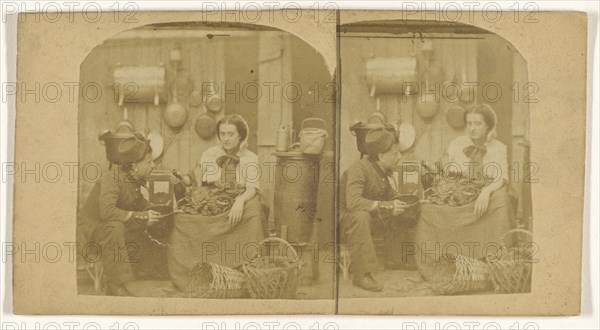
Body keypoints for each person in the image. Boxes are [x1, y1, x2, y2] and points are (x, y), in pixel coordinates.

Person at [77, 135, 166, 296]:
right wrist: (143, 216)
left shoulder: (133, 180)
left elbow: (139, 203)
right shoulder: (113, 178)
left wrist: (156, 211)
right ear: (133, 166)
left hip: (105, 229)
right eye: (148, 162)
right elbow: (107, 212)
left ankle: (150, 270)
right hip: (90, 232)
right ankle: (114, 284)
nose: (153, 165)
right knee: (116, 226)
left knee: (137, 223)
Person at [191, 114, 267, 266]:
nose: (225, 139)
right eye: (222, 134)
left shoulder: (250, 158)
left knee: (254, 213)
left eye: (230, 134)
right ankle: (205, 266)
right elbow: (200, 180)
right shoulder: (211, 154)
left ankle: (249, 265)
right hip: (215, 197)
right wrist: (186, 178)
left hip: (242, 196)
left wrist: (240, 201)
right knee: (188, 219)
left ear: (240, 135)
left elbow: (252, 189)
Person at [340, 127, 409, 292]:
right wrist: (387, 206)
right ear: (381, 156)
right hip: (344, 223)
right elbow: (353, 202)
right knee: (361, 216)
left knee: (403, 208)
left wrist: (407, 201)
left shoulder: (382, 172)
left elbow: (391, 196)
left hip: (366, 220)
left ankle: (396, 258)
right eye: (395, 153)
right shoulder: (359, 169)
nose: (399, 157)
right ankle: (361, 274)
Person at [443, 103, 509, 218]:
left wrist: (486, 192)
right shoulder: (458, 143)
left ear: (487, 125)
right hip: (459, 191)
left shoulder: (498, 148)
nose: (472, 128)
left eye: (477, 124)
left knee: (501, 201)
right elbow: (445, 165)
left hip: (486, 192)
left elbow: (501, 179)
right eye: (469, 124)